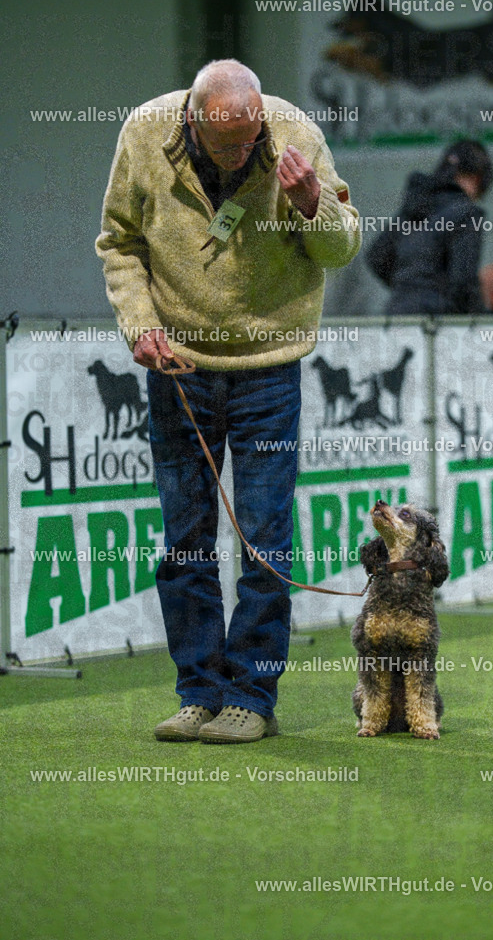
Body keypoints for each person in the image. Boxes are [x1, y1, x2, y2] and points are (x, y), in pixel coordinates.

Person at [96, 59, 361, 743]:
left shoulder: (293, 132)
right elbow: (119, 242)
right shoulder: (144, 132)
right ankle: (198, 692)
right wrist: (141, 327)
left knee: (266, 542)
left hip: (268, 368)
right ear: (193, 119)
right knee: (184, 543)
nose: (243, 153)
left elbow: (340, 247)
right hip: (176, 364)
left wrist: (312, 204)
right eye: (227, 147)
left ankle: (251, 697)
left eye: (249, 141)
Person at [365, 139, 493, 316]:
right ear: (479, 178)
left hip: (398, 316)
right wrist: (481, 322)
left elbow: (376, 257)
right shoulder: (466, 213)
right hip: (438, 324)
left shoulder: (414, 206)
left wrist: (409, 290)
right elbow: (464, 281)